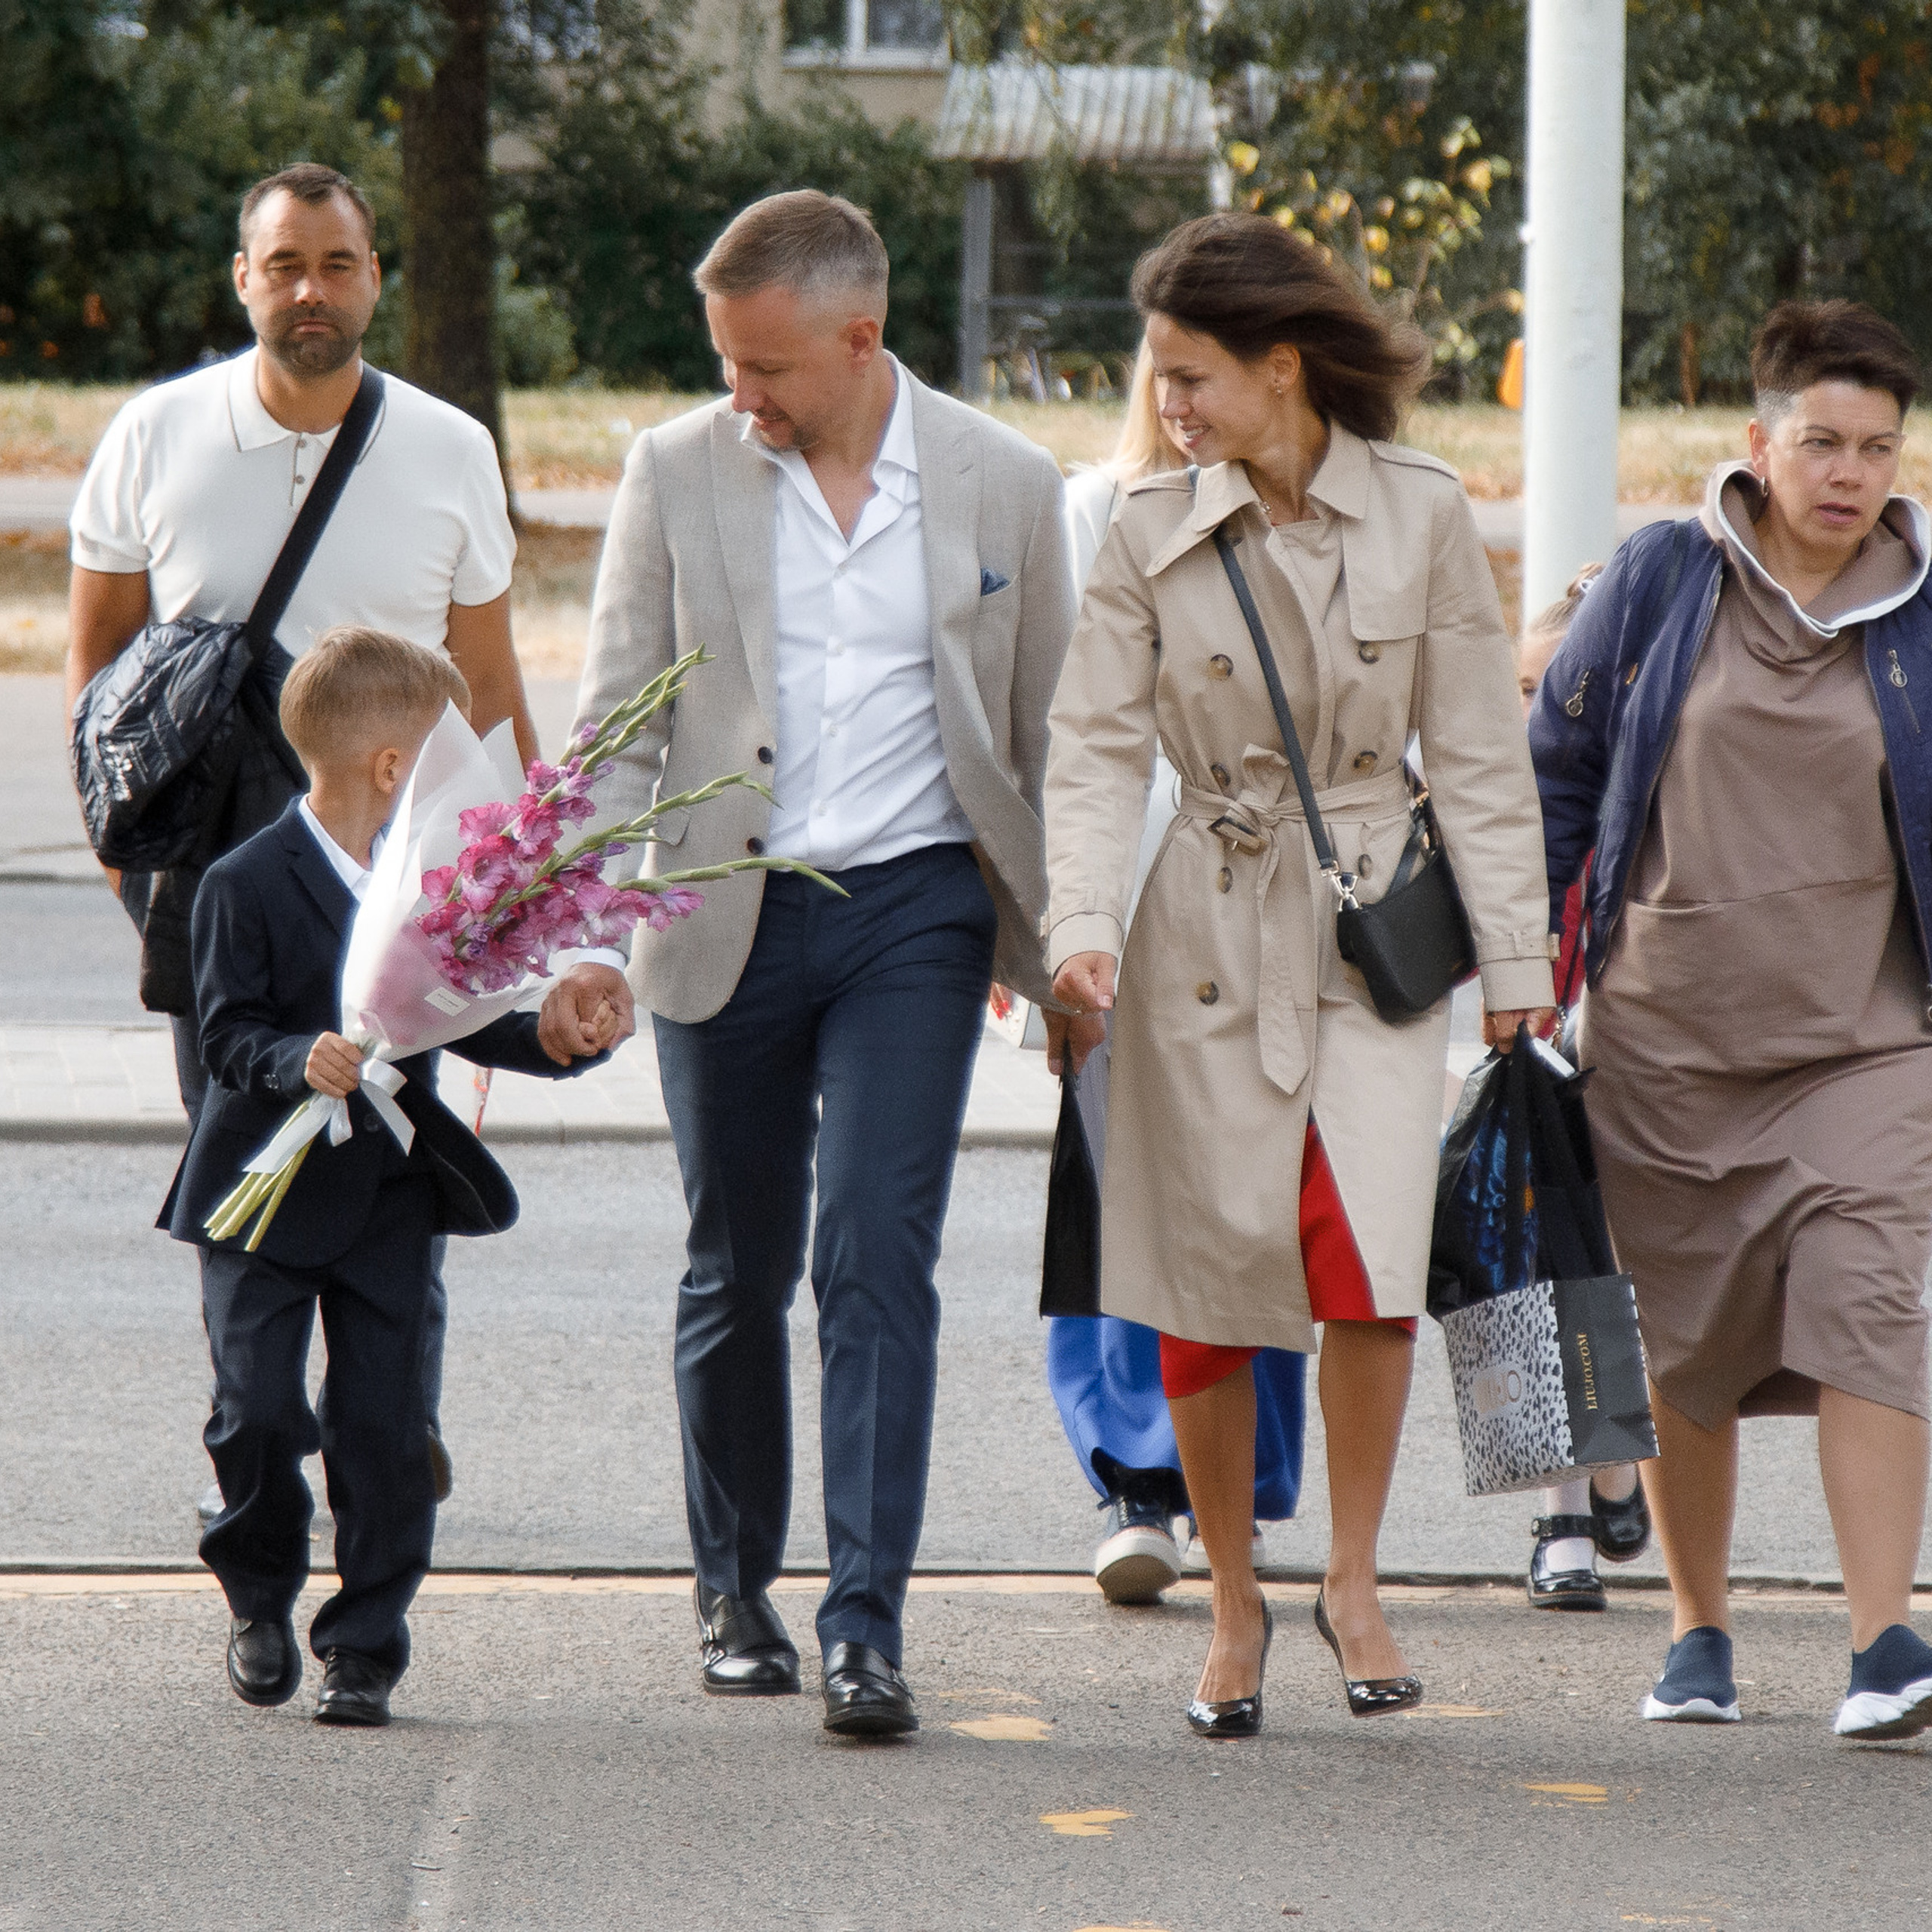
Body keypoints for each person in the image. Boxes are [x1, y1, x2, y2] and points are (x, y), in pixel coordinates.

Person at [545, 191, 1077, 1738]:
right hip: (721, 907)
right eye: (723, 358)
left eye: (765, 364)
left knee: (872, 1254)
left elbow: (1053, 737)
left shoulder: (1003, 482)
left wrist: (1061, 951)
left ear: (860, 338)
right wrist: (584, 926)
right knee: (738, 1258)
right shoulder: (674, 469)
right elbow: (616, 724)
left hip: (913, 912)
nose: (739, 391)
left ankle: (864, 1620)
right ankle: (733, 1587)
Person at [1044, 212, 1555, 1739]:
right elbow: (1086, 745)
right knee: (1208, 1286)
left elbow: (1476, 756)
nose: (1170, 403)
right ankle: (1231, 1596)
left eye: (1193, 376)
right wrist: (1079, 920)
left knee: (1366, 1268)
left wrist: (1517, 963)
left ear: (1280, 366)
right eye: (1162, 376)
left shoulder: (1420, 511)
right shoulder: (1143, 521)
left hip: (1371, 928)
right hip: (1199, 926)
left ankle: (1349, 1575)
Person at [66, 162, 535, 1520]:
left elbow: (489, 680)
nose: (311, 291)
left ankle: (393, 1419)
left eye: (336, 264)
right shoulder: (154, 434)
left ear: (375, 278)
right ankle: (259, 1437)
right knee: (241, 1166)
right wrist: (119, 852)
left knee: (395, 1159)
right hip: (218, 881)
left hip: (401, 878)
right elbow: (95, 664)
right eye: (285, 265)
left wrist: (521, 875)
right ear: (243, 280)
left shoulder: (448, 446)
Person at [1531, 300, 1932, 1740]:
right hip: (1667, 1040)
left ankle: (1886, 1643)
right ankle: (1700, 1631)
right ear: (1757, 443)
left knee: (1871, 1313)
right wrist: (1528, 968)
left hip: (1866, 1041)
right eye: (1820, 440)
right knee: (1684, 1346)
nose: (1848, 471)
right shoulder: (1660, 579)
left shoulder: (1925, 602)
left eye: (1877, 446)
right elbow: (1556, 777)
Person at [157, 629, 611, 1724]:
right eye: (451, 753)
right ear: (393, 768)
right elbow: (224, 1033)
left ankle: (365, 1644)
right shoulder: (243, 881)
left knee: (384, 1426)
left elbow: (465, 1010)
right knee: (258, 1413)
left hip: (385, 1192)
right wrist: (292, 1058)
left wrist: (556, 1036)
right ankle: (259, 1593)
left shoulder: (444, 886)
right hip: (255, 1192)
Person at [1048, 343, 1307, 1605]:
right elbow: (1066, 724)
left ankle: (1237, 1492)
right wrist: (1051, 920)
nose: (1182, 396)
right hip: (1136, 903)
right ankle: (1134, 1482)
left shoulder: (1326, 508)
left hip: (1279, 904)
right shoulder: (1095, 511)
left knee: (1258, 1205)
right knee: (1126, 1193)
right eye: (1168, 366)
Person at [1513, 568, 1652, 1613]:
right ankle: (1561, 1512)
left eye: (1545, 693)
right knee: (1542, 1275)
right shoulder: (1507, 806)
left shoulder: (1645, 811)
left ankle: (1610, 1460)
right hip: (1533, 1061)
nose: (1528, 715)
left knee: (1614, 1282)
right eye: (1516, 689)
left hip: (1641, 1049)